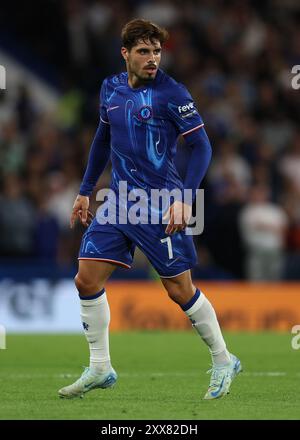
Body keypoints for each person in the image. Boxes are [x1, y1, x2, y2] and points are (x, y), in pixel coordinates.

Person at [58, 19, 241, 400]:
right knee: (86, 280)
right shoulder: (110, 87)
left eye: (157, 51)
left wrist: (185, 198)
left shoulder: (172, 93)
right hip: (119, 201)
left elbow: (202, 147)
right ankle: (100, 367)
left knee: (179, 290)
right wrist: (85, 190)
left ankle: (224, 359)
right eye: (144, 51)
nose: (152, 58)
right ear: (125, 53)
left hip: (159, 204)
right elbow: (102, 138)